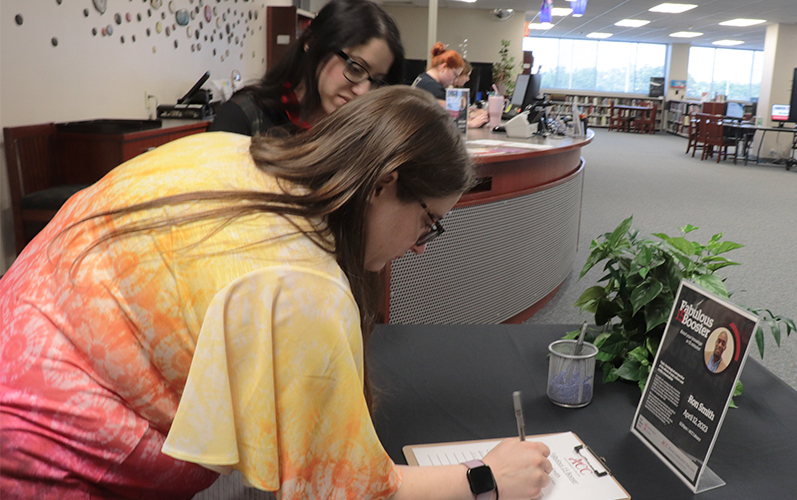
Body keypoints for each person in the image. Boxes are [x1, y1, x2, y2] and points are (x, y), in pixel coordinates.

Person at [0, 86, 552, 500]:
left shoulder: (225, 150)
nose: (421, 247)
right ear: (385, 183)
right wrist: (486, 478)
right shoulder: (302, 286)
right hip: (48, 451)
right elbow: (347, 488)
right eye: (430, 222)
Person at [208, 0, 404, 136]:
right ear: (312, 42)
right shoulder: (246, 117)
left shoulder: (363, 134)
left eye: (377, 81)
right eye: (356, 68)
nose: (363, 91)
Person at [413, 45, 488, 129]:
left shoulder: (423, 78)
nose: (454, 80)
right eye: (455, 76)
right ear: (444, 67)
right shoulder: (433, 88)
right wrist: (471, 124)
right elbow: (445, 122)